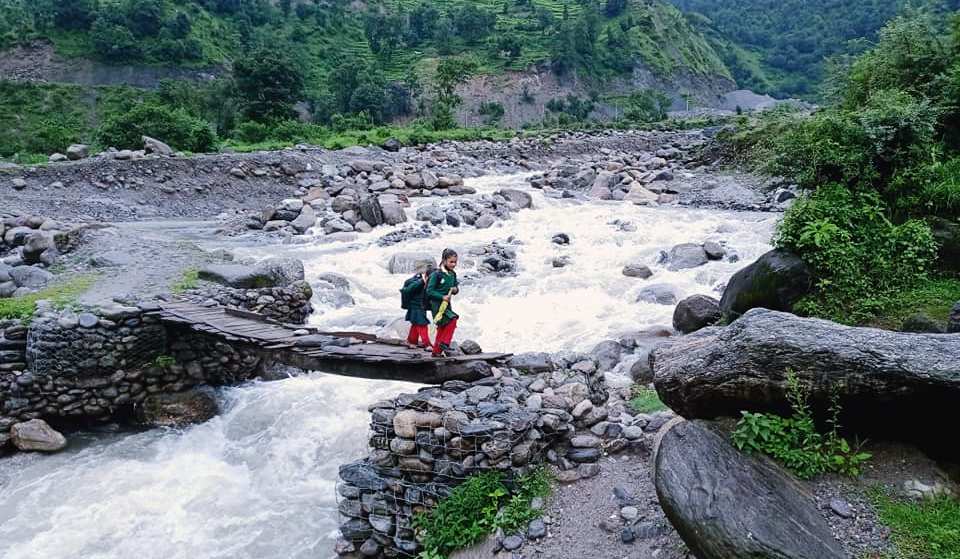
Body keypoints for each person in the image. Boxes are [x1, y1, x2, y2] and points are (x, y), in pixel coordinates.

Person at [426, 248, 460, 357]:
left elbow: (455, 287)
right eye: (451, 262)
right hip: (436, 305)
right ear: (444, 261)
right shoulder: (437, 274)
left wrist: (455, 290)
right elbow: (429, 291)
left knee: (442, 327)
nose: (453, 264)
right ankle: (445, 343)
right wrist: (442, 296)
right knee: (453, 319)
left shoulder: (453, 274)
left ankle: (436, 352)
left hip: (446, 304)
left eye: (455, 262)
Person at [400, 264, 434, 350]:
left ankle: (411, 341)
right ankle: (427, 344)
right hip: (415, 306)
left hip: (421, 306)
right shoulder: (418, 282)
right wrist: (422, 281)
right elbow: (408, 290)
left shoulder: (429, 283)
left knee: (415, 324)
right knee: (422, 324)